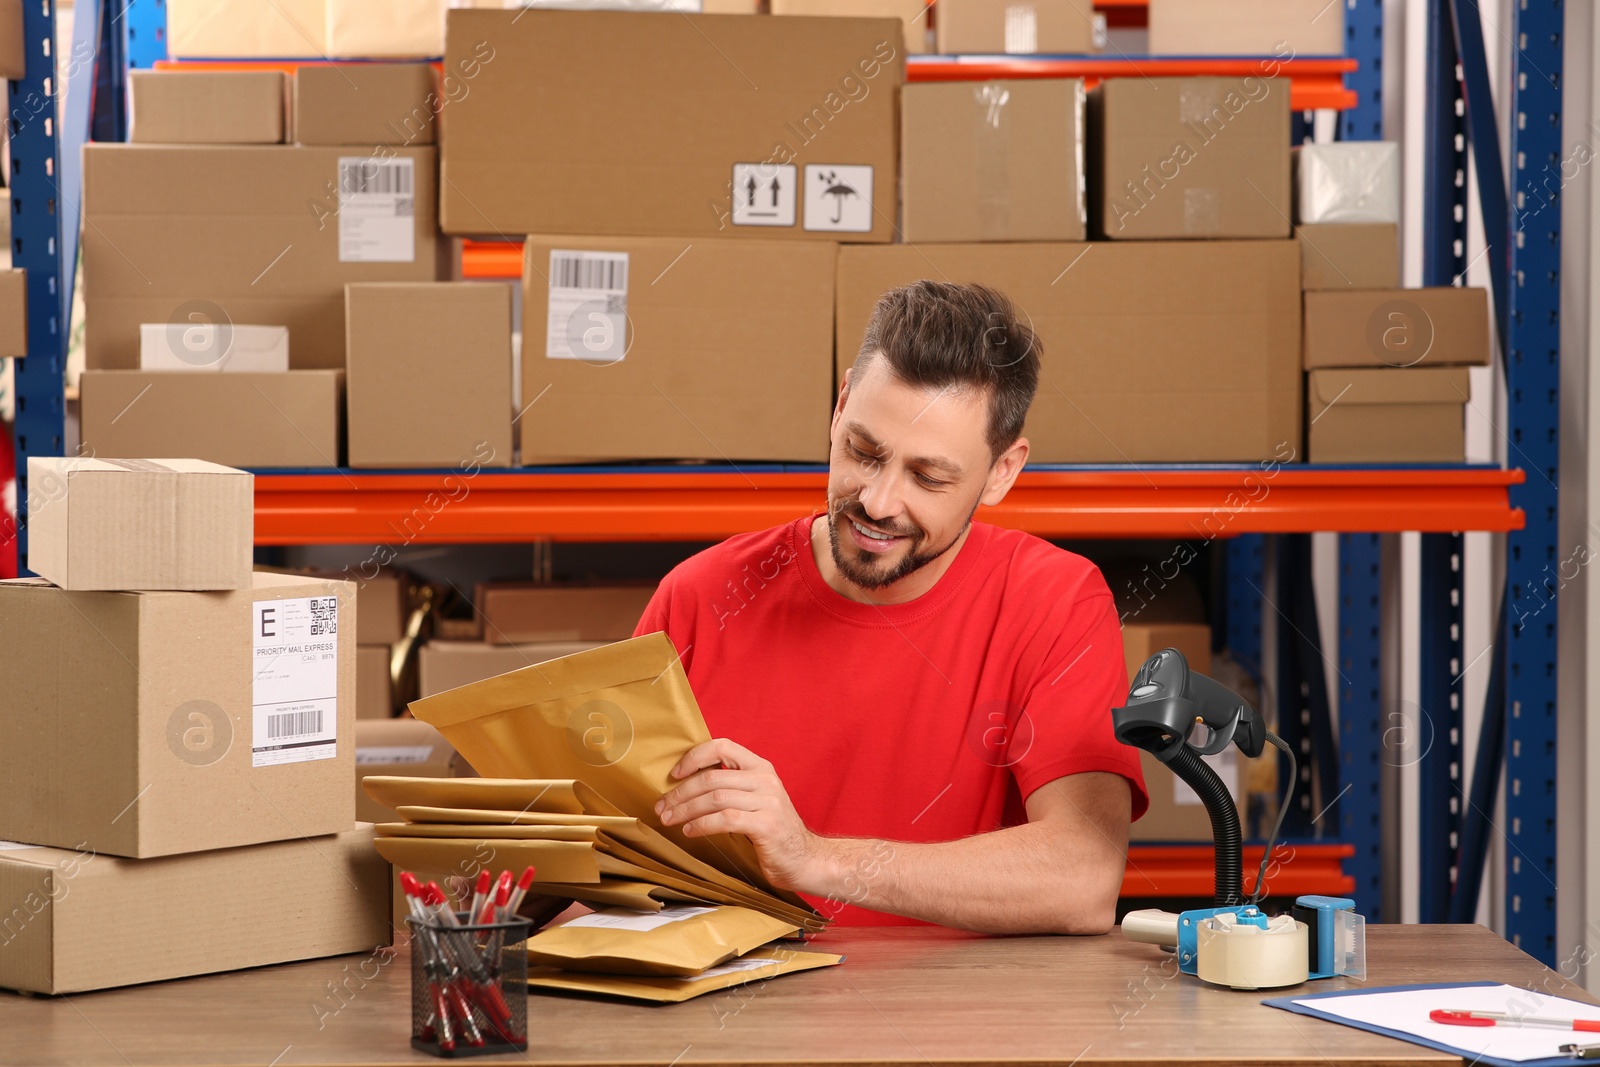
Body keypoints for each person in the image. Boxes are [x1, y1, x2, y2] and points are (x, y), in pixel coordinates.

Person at [637, 281, 1147, 934]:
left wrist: (816, 859)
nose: (877, 501)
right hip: (738, 1021)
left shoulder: (1056, 601)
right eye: (863, 452)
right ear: (841, 402)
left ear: (1002, 471)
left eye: (928, 477)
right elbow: (614, 850)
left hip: (953, 1025)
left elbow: (1084, 876)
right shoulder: (698, 596)